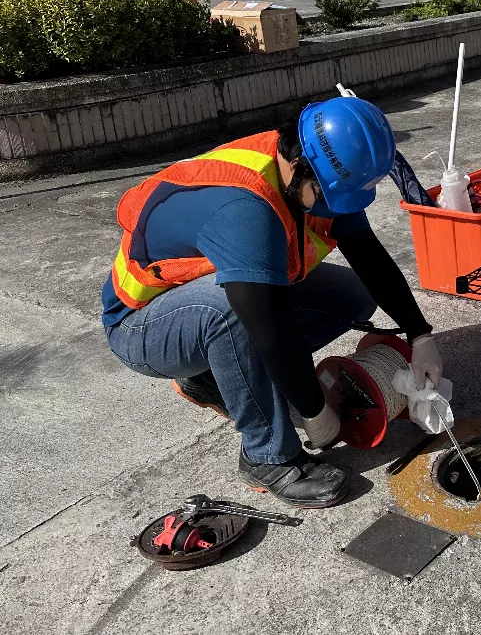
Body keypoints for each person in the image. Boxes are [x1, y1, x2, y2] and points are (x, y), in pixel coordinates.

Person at [103, 95, 440, 508]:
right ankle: (267, 456)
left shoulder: (317, 167)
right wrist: (314, 408)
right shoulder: (245, 208)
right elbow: (270, 330)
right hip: (142, 327)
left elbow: (367, 254)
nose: (334, 209)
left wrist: (420, 333)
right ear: (298, 168)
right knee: (228, 313)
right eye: (327, 196)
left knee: (351, 294)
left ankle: (210, 377)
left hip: (206, 301)